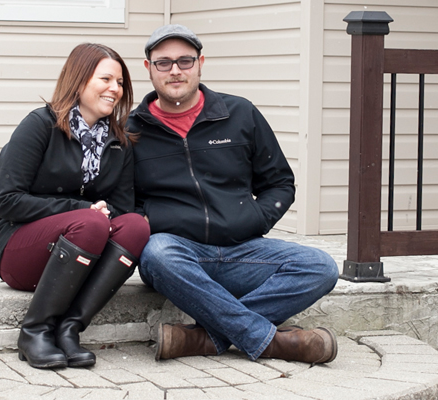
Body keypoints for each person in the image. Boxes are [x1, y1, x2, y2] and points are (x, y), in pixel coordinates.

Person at [127, 25, 340, 364]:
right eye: (163, 63)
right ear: (148, 68)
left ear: (201, 64)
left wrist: (254, 219)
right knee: (157, 253)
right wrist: (152, 222)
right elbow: (125, 204)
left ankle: (205, 339)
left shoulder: (240, 114)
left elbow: (280, 183)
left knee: (321, 266)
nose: (176, 70)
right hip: (178, 257)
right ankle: (273, 343)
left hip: (243, 252)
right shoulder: (131, 131)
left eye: (185, 60)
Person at [0, 43, 150, 369]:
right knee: (90, 222)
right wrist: (79, 210)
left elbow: (121, 208)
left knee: (136, 226)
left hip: (80, 252)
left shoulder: (119, 142)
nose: (115, 89)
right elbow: (8, 201)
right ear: (79, 80)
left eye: (119, 83)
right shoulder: (39, 126)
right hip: (19, 249)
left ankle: (69, 329)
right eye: (105, 79)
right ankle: (34, 331)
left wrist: (100, 213)